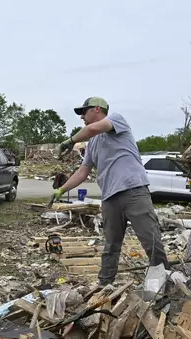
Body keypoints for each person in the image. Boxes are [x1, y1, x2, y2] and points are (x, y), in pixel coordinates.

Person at [53, 97, 169, 286]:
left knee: (151, 240)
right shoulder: (92, 144)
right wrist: (61, 190)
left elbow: (92, 129)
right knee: (111, 246)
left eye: (84, 111)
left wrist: (70, 141)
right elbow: (83, 172)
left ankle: (166, 282)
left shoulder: (116, 120)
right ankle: (104, 285)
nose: (82, 116)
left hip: (133, 190)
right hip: (109, 197)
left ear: (97, 109)